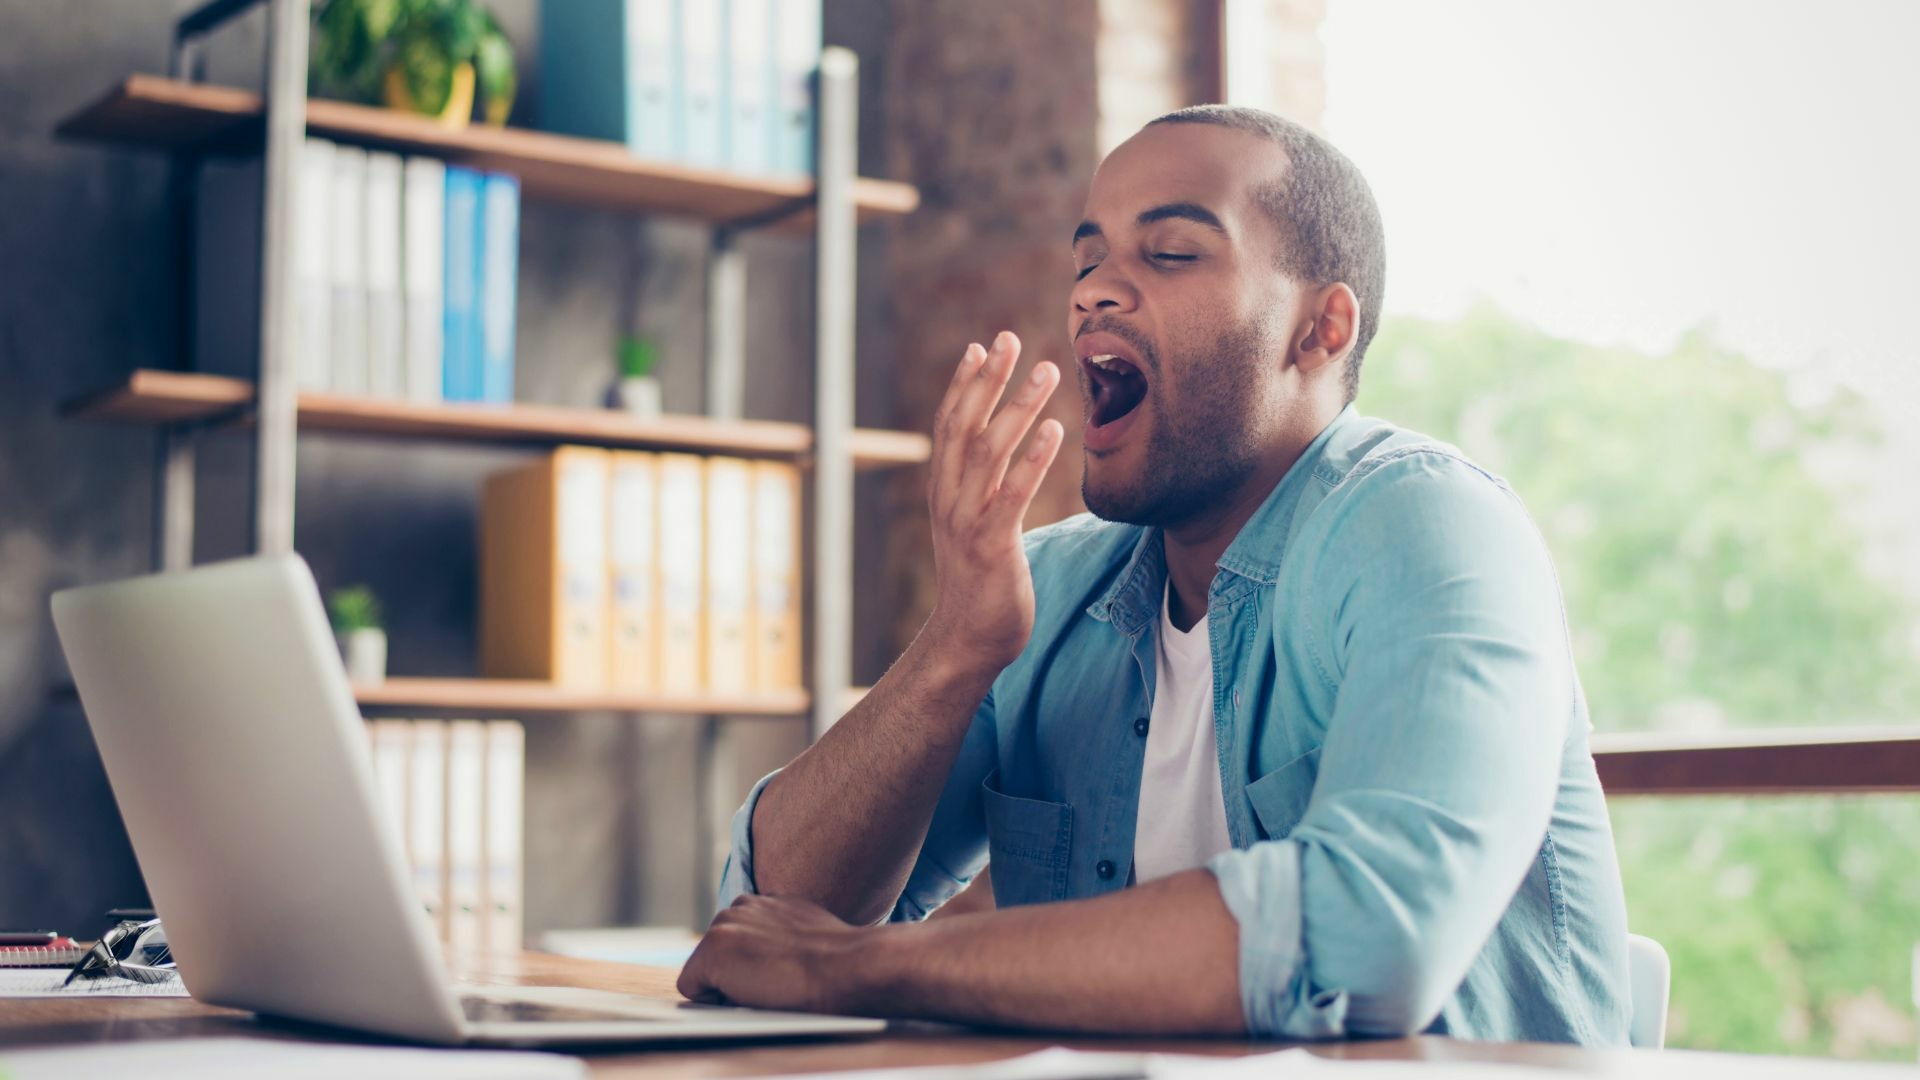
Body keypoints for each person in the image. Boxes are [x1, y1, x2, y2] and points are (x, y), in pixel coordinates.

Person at [677, 105, 1631, 1044]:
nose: (1095, 291)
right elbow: (766, 925)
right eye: (1087, 260)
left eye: (1170, 253)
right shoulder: (1045, 592)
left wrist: (861, 969)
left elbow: (1369, 939)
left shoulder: (1429, 526)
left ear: (1319, 330)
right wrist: (953, 652)